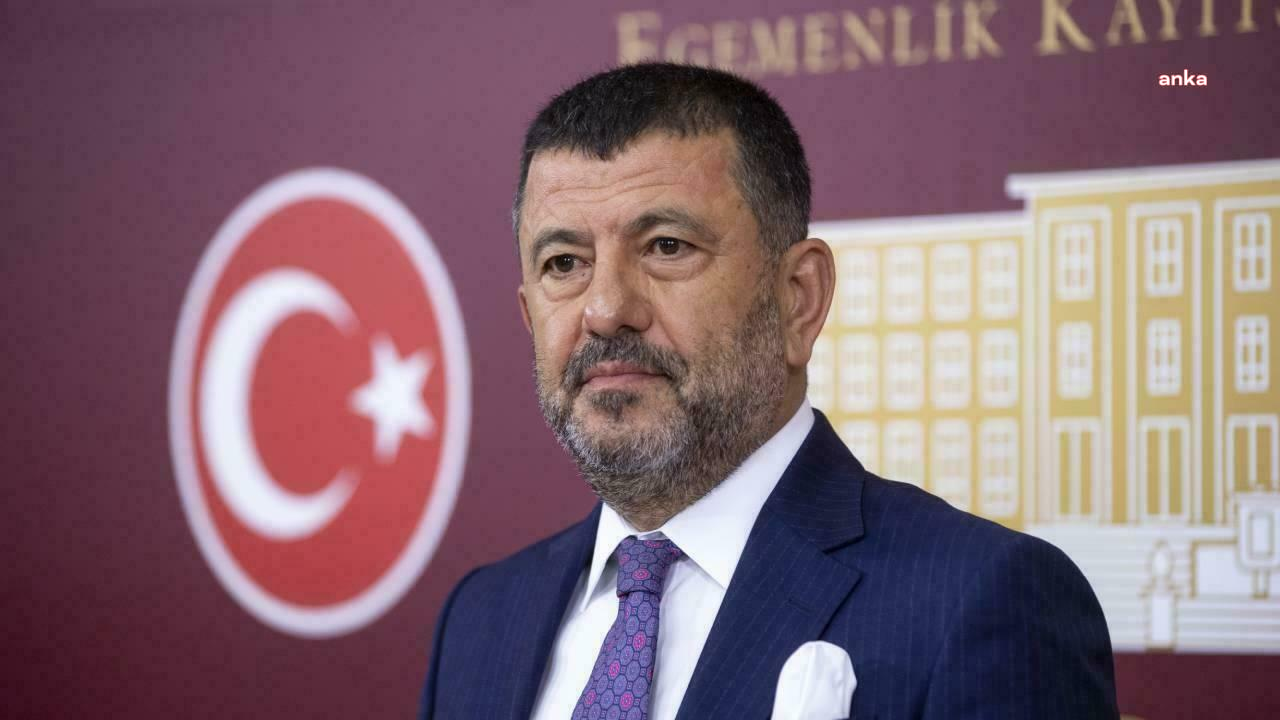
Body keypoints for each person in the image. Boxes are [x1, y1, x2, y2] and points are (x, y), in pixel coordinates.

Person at [419, 62, 1118, 720]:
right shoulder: (480, 620)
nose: (604, 309)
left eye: (666, 246)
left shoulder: (981, 602)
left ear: (798, 299)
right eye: (564, 262)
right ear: (529, 316)